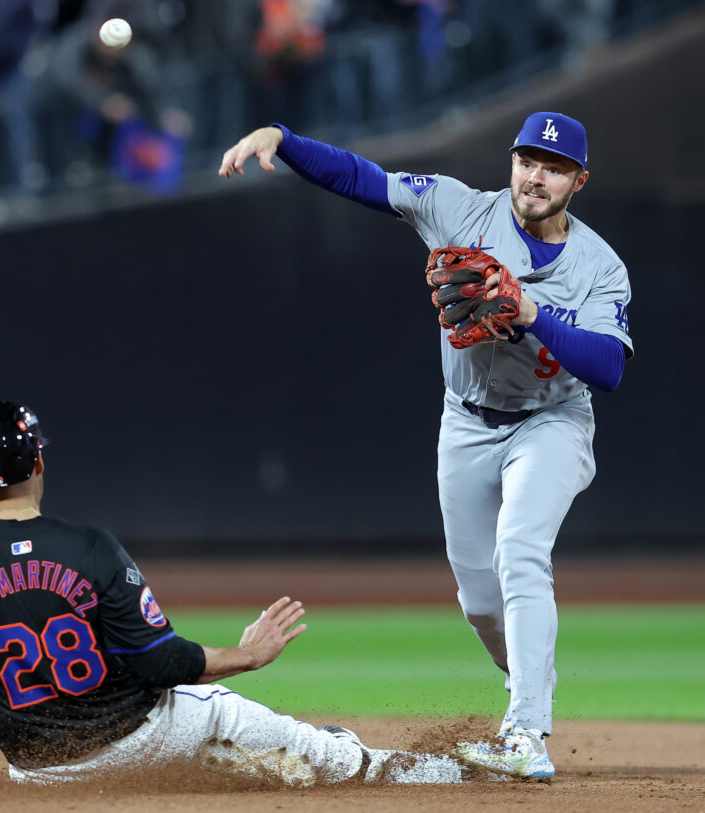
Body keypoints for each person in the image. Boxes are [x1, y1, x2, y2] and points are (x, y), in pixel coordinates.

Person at [218, 112, 633, 782]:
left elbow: (608, 368)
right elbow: (365, 179)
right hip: (465, 422)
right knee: (480, 602)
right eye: (528, 161)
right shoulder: (458, 208)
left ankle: (526, 730)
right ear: (511, 162)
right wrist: (284, 142)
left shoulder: (599, 265)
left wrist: (530, 312)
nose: (536, 177)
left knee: (519, 549)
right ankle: (528, 679)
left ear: (578, 181)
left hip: (551, 422)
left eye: (554, 168)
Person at [0, 400, 464, 788]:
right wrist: (247, 654)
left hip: (43, 774)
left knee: (216, 751)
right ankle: (427, 770)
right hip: (143, 738)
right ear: (37, 463)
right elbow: (163, 663)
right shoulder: (89, 547)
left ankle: (263, 763)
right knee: (292, 742)